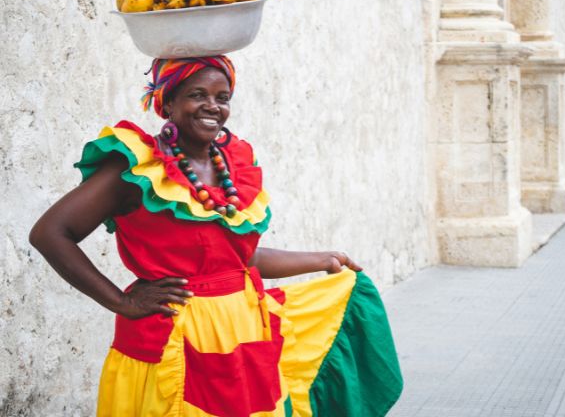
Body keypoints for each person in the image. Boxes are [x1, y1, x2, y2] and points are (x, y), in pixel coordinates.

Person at [29, 56, 403, 417]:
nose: (212, 106)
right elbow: (50, 233)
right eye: (197, 95)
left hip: (241, 333)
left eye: (222, 98)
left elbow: (239, 261)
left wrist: (321, 258)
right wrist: (121, 303)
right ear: (168, 101)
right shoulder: (137, 168)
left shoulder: (234, 167)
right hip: (173, 337)